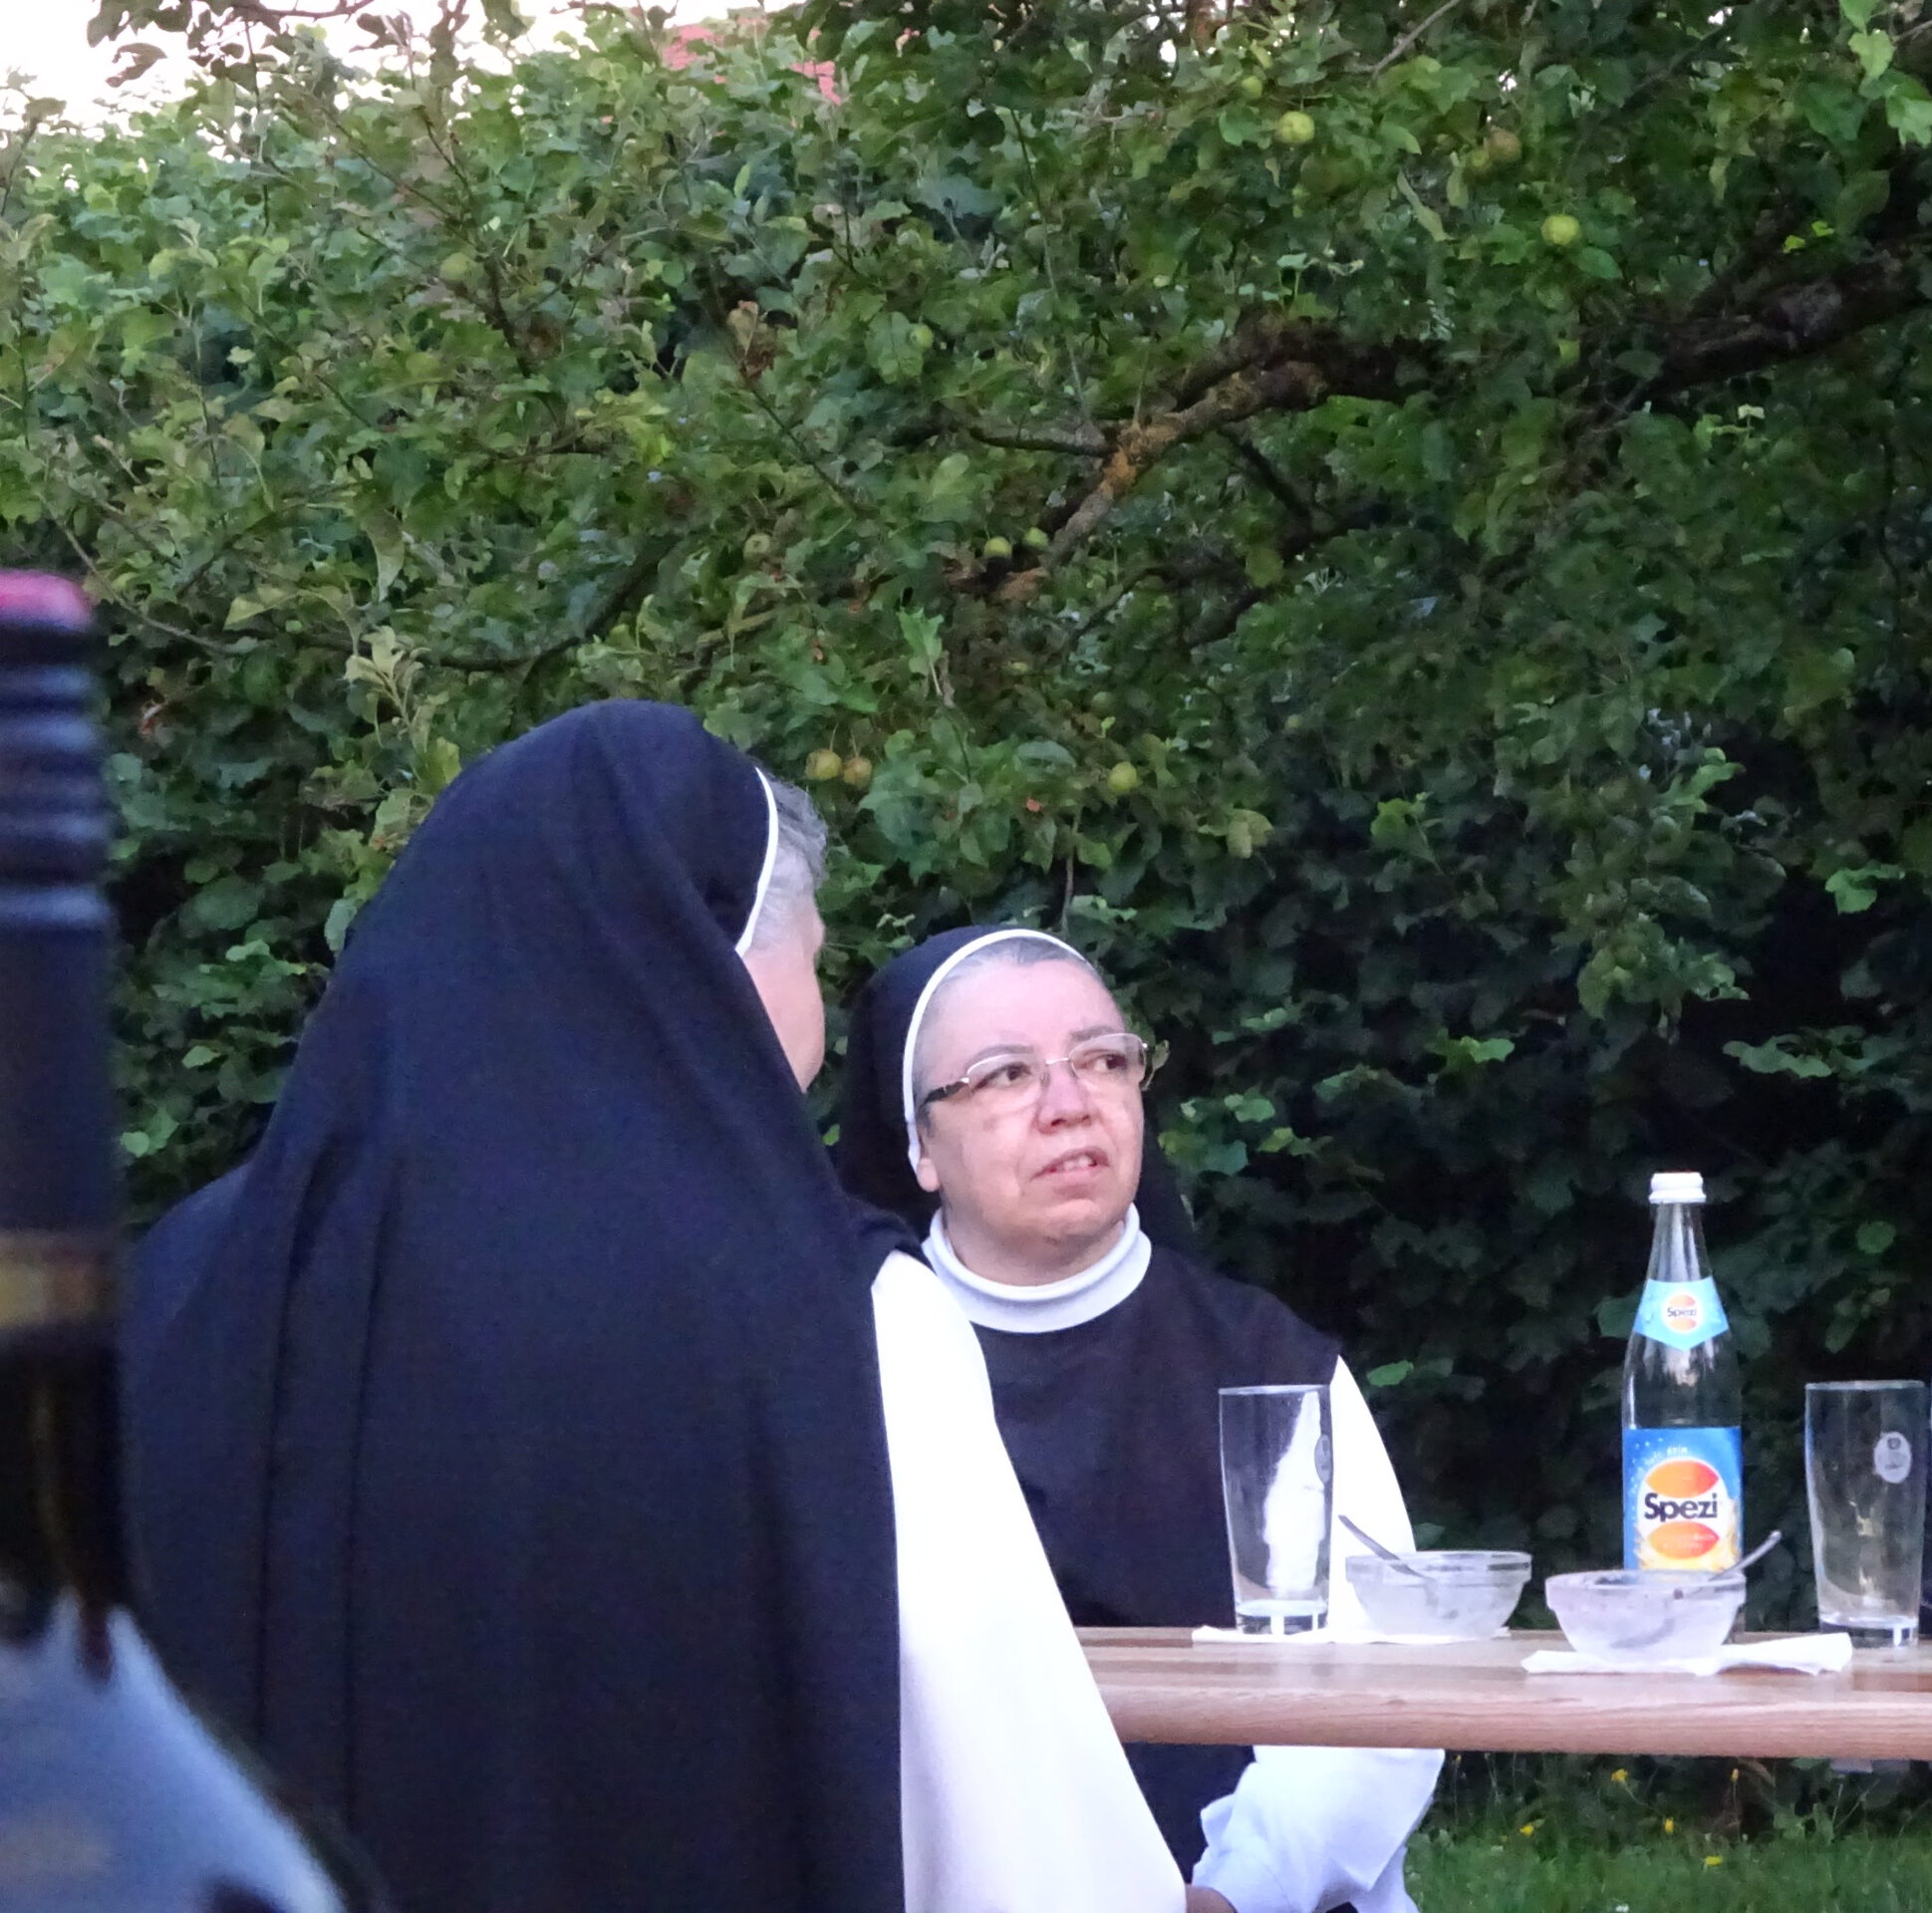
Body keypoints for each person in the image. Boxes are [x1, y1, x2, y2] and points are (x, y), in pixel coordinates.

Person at [121, 703, 1184, 1913]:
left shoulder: (194, 1280)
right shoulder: (834, 1309)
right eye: (813, 956)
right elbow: (1007, 1815)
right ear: (713, 963)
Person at [833, 927, 1444, 1913]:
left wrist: (1236, 1891)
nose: (1069, 1102)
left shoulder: (1266, 1363)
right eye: (1006, 1074)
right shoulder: (847, 1369)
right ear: (918, 1146)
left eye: (1102, 1060)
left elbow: (1377, 1686)